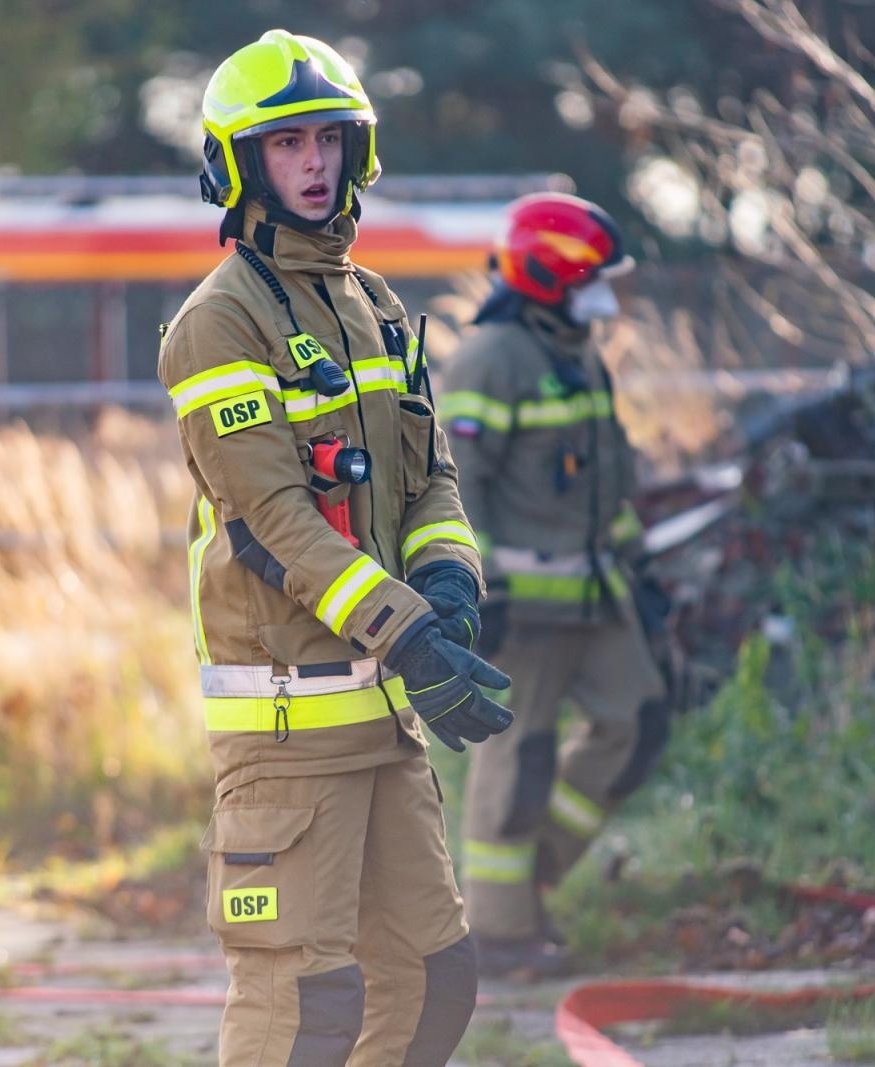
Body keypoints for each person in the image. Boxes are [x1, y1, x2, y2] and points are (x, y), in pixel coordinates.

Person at [157, 29, 513, 1066]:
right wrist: (409, 634)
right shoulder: (217, 324)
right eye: (285, 145)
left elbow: (429, 473)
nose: (312, 163)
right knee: (302, 1007)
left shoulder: (374, 305)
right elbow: (276, 520)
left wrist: (448, 584)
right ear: (238, 164)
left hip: (383, 719)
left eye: (327, 139)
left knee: (431, 980)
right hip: (285, 730)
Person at [440, 193, 672, 979]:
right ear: (550, 274)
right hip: (525, 609)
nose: (608, 293)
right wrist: (481, 587)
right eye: (595, 277)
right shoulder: (489, 360)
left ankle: (531, 874)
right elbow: (453, 486)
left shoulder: (577, 353)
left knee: (637, 723)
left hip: (596, 595)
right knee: (522, 757)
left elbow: (608, 482)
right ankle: (500, 934)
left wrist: (637, 571)